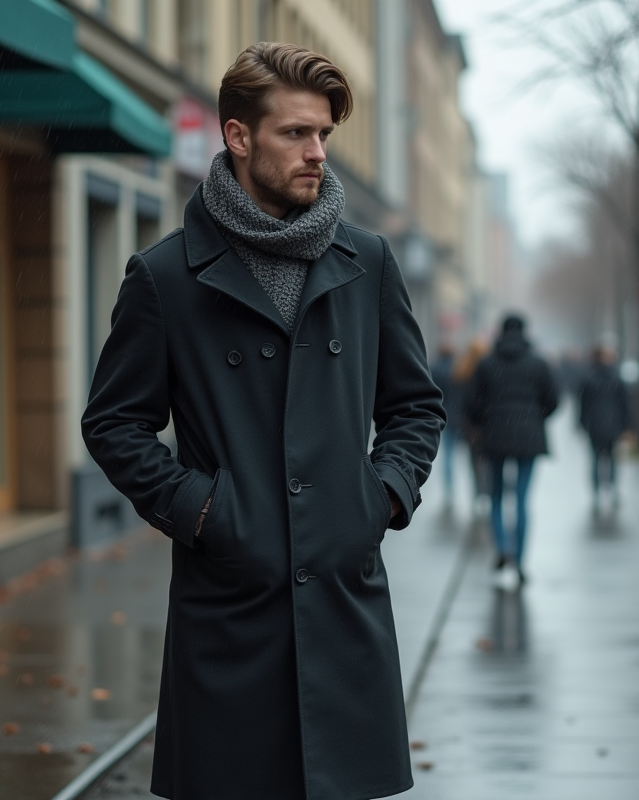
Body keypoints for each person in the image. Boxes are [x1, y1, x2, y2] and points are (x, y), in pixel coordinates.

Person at [82, 43, 444, 800]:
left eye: (324, 135)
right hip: (230, 611)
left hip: (342, 603)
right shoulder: (166, 277)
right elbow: (114, 423)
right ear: (238, 136)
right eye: (295, 134)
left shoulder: (369, 263)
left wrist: (378, 498)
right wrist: (204, 511)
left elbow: (414, 405)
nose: (317, 153)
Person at [465, 315, 559, 586]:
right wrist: (534, 417)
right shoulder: (538, 364)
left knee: (494, 497)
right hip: (529, 437)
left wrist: (489, 419)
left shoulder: (486, 364)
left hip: (495, 436)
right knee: (521, 499)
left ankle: (503, 548)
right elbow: (553, 400)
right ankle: (519, 559)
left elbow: (471, 403)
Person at [579, 345, 631, 506]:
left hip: (594, 425)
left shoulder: (588, 378)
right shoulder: (617, 379)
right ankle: (614, 490)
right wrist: (627, 425)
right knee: (612, 459)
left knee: (595, 459)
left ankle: (596, 494)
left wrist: (582, 424)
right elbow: (625, 404)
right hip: (613, 425)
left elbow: (583, 405)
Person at [453, 338, 490, 505]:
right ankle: (485, 492)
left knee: (473, 462)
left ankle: (476, 493)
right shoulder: (488, 369)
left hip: (469, 426)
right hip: (485, 425)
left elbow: (460, 400)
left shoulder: (461, 370)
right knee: (487, 462)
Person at [430, 344, 460, 501]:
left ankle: (449, 489)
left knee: (447, 455)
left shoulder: (434, 369)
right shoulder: (459, 369)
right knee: (462, 455)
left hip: (442, 415)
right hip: (458, 417)